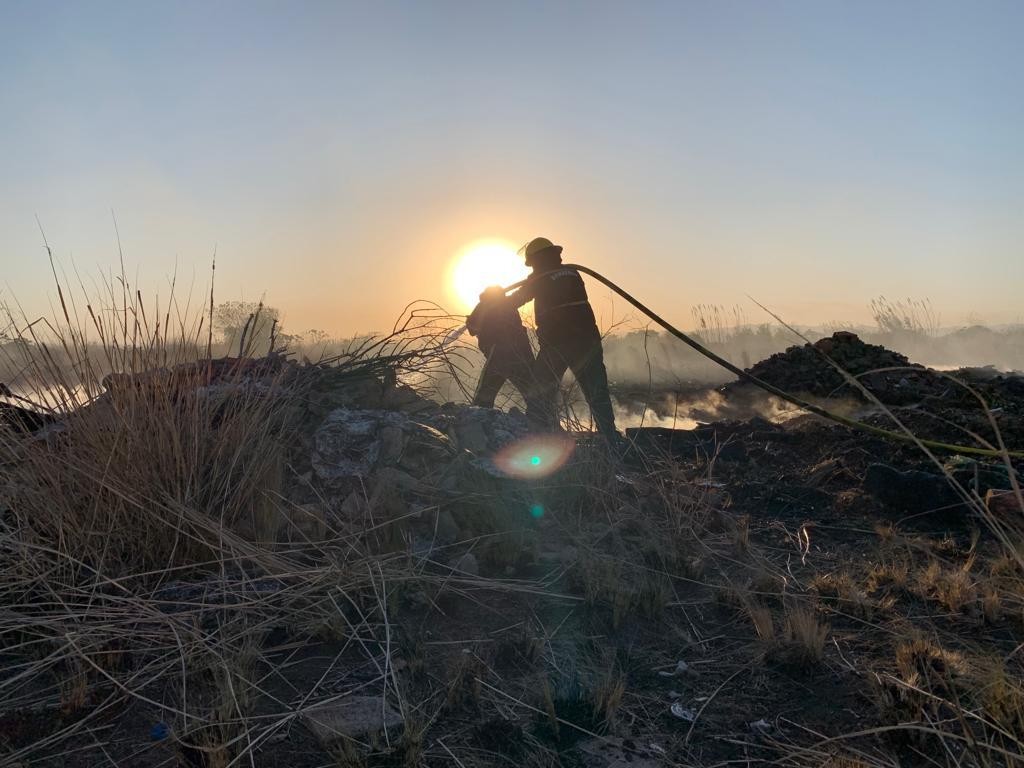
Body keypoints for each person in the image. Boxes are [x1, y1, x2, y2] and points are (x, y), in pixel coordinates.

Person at [505, 237, 618, 438]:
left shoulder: (540, 278)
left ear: (536, 260)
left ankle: (538, 438)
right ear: (555, 255)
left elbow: (514, 301)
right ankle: (611, 441)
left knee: (539, 393)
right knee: (597, 393)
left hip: (557, 344)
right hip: (588, 343)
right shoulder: (572, 273)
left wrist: (494, 299)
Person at [466, 285, 536, 409]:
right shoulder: (509, 302)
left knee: (485, 394)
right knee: (532, 392)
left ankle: (480, 418)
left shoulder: (482, 307)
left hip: (499, 356)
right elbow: (525, 295)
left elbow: (472, 328)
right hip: (520, 354)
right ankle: (544, 420)